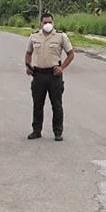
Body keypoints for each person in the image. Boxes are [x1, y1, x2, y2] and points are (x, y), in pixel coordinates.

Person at [25, 13, 75, 141]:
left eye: (50, 22)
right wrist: (28, 66)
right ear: (40, 23)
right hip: (38, 74)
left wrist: (62, 68)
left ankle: (58, 132)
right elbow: (28, 53)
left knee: (56, 105)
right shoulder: (34, 36)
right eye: (45, 22)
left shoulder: (60, 36)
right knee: (37, 104)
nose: (47, 24)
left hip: (54, 75)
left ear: (53, 23)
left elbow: (70, 54)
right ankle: (36, 130)